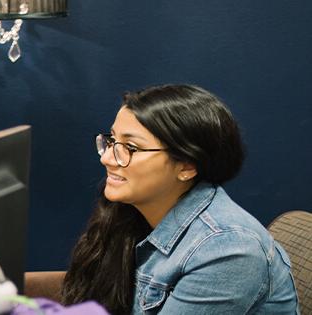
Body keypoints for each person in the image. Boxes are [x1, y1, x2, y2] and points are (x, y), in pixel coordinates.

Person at [28, 84, 298, 314]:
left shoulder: (228, 250)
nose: (107, 157)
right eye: (112, 141)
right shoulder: (131, 209)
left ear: (187, 166)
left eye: (131, 148)